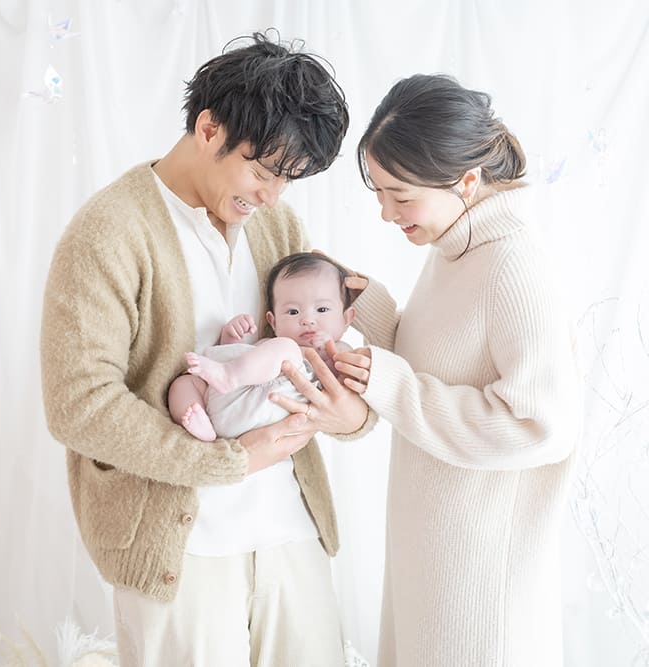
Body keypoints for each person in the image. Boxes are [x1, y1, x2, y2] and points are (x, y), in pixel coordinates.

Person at [40, 31, 372, 666]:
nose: (272, 195)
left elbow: (325, 336)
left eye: (287, 180)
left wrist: (354, 413)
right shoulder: (108, 232)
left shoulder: (276, 224)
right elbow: (78, 405)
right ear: (209, 127)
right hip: (181, 550)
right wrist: (228, 462)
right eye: (263, 171)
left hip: (291, 531)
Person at [307, 74, 581, 666]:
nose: (386, 213)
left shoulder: (512, 265)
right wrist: (365, 305)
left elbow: (540, 426)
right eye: (379, 193)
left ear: (467, 181)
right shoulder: (455, 247)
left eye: (400, 196)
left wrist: (390, 383)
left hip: (478, 587)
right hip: (431, 559)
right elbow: (442, 366)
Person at [169, 253, 355, 442]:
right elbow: (237, 369)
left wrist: (329, 356)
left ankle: (228, 376)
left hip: (267, 412)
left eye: (322, 309)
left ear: (347, 318)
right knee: (183, 384)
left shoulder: (342, 350)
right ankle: (201, 424)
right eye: (293, 312)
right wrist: (231, 340)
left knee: (287, 349)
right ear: (273, 322)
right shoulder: (270, 347)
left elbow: (345, 392)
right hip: (222, 407)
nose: (307, 320)